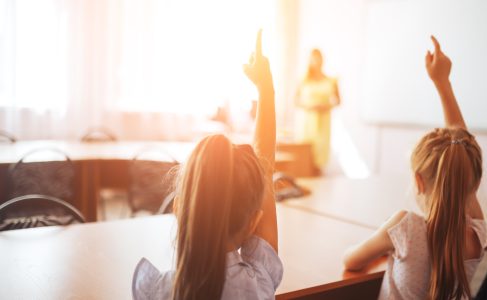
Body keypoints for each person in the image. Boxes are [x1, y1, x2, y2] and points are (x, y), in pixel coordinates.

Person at [132, 30, 282, 300]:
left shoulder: (158, 291)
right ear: (252, 224)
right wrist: (265, 88)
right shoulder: (258, 285)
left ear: (178, 210)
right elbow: (266, 168)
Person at [343, 36, 486, 300]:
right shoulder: (476, 234)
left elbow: (351, 260)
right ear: (474, 184)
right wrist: (443, 83)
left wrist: (388, 234)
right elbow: (460, 147)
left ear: (418, 181)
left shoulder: (405, 228)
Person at [295, 49, 341, 173]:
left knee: (319, 155)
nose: (316, 61)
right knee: (306, 154)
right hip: (308, 122)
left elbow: (338, 101)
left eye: (318, 57)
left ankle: (317, 175)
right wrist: (309, 107)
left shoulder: (331, 80)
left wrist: (326, 106)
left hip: (323, 122)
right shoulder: (303, 80)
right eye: (313, 58)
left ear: (322, 59)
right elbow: (296, 101)